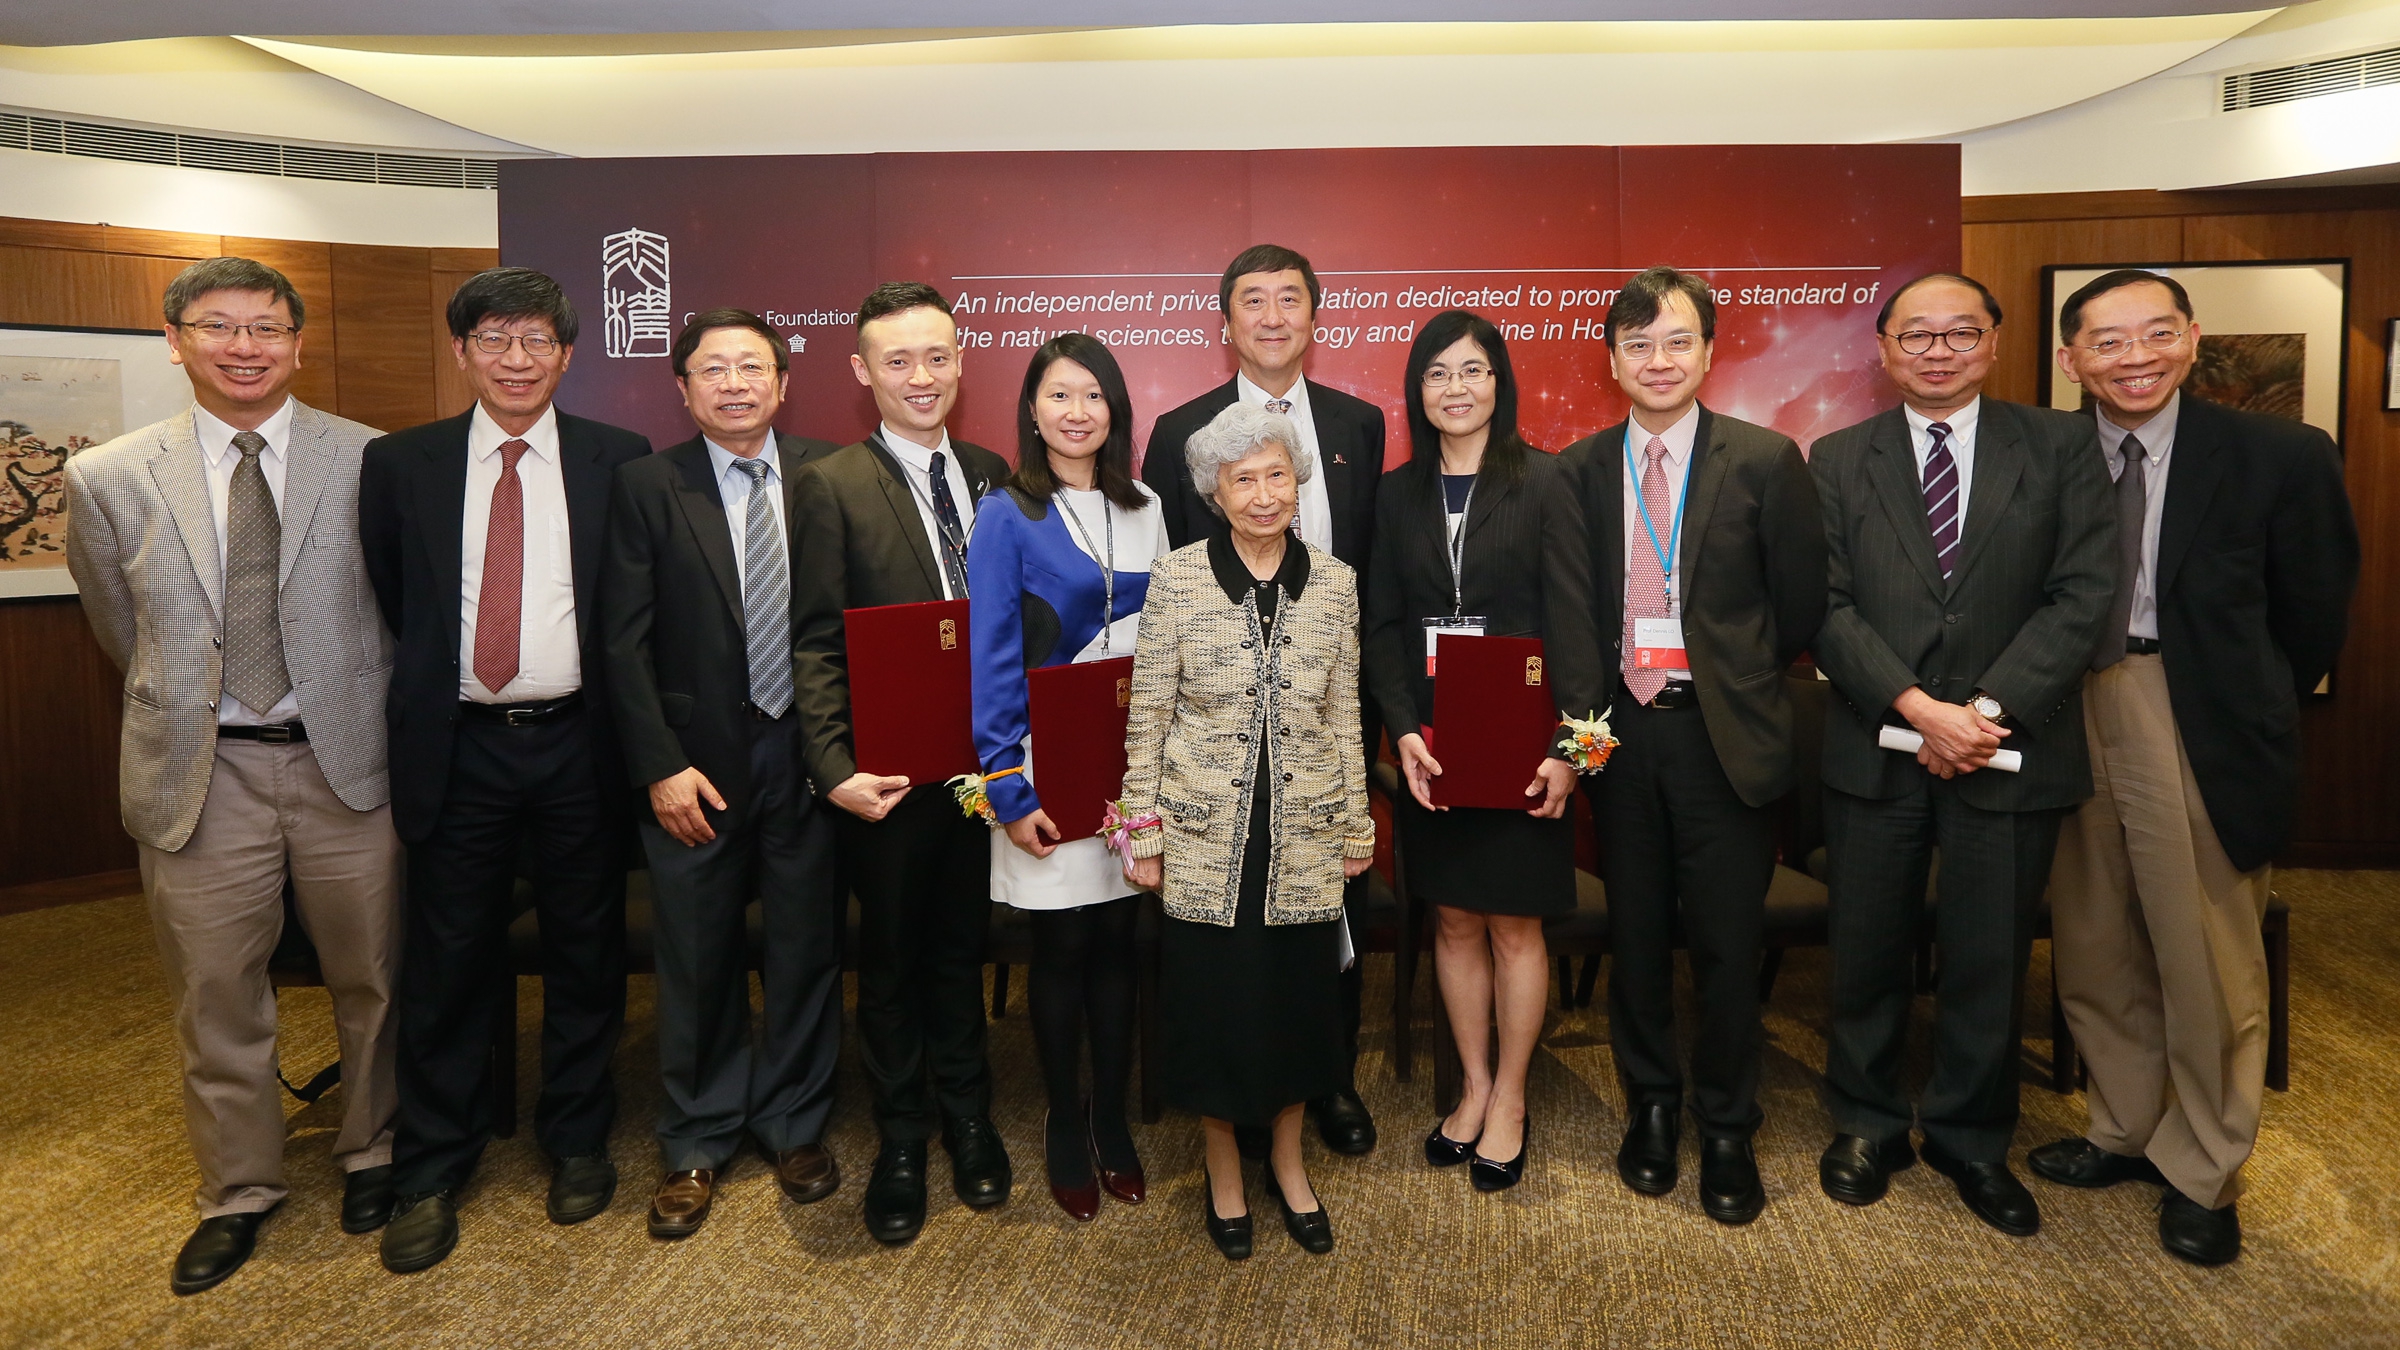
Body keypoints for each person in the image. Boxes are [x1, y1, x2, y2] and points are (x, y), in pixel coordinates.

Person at [63, 257, 401, 1295]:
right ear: (176, 341)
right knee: (216, 994)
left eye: (265, 328)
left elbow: (397, 608)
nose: (244, 347)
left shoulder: (371, 460)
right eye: (218, 327)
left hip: (349, 765)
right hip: (201, 775)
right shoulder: (108, 476)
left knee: (376, 980)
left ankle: (373, 1153)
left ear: (298, 344)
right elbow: (120, 629)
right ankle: (240, 1190)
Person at [2032, 270, 2357, 1265]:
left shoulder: (2278, 455)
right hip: (2061, 703)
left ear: (2191, 338)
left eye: (2154, 334)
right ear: (2071, 358)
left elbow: (2312, 614)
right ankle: (2123, 1129)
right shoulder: (2046, 457)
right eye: (2109, 341)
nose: (2135, 357)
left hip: (2190, 710)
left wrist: (2232, 701)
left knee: (2206, 952)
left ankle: (2204, 1165)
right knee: (2093, 936)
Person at [1810, 272, 2115, 1238]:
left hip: (2008, 743)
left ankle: (1971, 1136)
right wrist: (1916, 707)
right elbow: (1825, 603)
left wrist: (1978, 713)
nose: (1937, 351)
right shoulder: (1838, 456)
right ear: (1885, 347)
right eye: (1916, 335)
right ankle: (1865, 1123)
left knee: (1990, 952)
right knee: (1866, 946)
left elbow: (2082, 594)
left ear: (1993, 341)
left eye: (1959, 333)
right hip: (1878, 741)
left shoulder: (2064, 445)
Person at [361, 268, 652, 1272]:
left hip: (581, 743)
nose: (517, 360)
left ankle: (576, 1138)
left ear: (569, 354)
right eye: (495, 340)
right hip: (460, 743)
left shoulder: (621, 458)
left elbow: (630, 611)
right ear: (463, 353)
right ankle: (434, 1161)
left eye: (537, 341)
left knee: (585, 952)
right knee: (447, 963)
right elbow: (399, 599)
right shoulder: (403, 465)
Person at [1558, 267, 1827, 1224]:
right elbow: (1570, 616)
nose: (1657, 360)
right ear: (1613, 360)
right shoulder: (1580, 468)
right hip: (1623, 741)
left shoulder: (1764, 459)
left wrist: (1734, 677)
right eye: (1637, 344)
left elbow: (1796, 603)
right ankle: (1654, 1109)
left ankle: (1725, 1125)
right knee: (1635, 939)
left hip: (1725, 739)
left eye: (1676, 341)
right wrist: (1580, 744)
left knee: (1724, 944)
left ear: (1710, 352)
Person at [600, 309, 847, 1241]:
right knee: (696, 956)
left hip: (808, 755)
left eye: (753, 368)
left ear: (783, 383)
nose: (735, 384)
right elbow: (619, 644)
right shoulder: (646, 486)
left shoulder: (832, 472)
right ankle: (696, 1137)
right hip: (695, 767)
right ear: (683, 387)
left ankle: (794, 1125)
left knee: (804, 948)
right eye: (714, 370)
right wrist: (660, 767)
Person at [1143, 244, 1384, 1157]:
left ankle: (1331, 1082)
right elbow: (1177, 584)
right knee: (1232, 942)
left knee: (1325, 918)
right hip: (1219, 727)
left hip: (1322, 715)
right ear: (1227, 323)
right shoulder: (1178, 430)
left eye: (1291, 300)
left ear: (1316, 319)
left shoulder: (1359, 425)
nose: (1273, 316)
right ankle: (1236, 1103)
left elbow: (1368, 574)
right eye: (1254, 300)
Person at [1121, 401, 1376, 1260]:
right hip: (1202, 835)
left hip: (1304, 834)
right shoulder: (1179, 578)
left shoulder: (1335, 581)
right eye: (1243, 480)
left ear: (1296, 482)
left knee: (1300, 1012)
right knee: (1215, 1011)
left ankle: (1291, 1165)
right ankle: (1224, 1171)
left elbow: (1346, 714)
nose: (1263, 495)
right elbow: (1149, 714)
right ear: (1215, 491)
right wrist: (1142, 829)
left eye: (1276, 475)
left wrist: (1356, 827)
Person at [790, 282, 1014, 1245]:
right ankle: (901, 1139)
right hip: (883, 779)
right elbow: (812, 642)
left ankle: (968, 1119)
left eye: (937, 357)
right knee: (888, 965)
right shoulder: (832, 483)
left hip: (984, 772)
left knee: (961, 952)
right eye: (898, 361)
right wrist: (831, 765)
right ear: (861, 372)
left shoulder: (997, 472)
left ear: (961, 361)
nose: (921, 378)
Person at [1364, 311, 1604, 1194]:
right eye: (1436, 374)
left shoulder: (1547, 483)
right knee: (1454, 920)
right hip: (1436, 743)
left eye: (1471, 371)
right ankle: (1469, 1086)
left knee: (1515, 925)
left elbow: (1577, 625)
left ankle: (1512, 1097)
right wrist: (1405, 731)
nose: (1454, 389)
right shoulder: (1395, 494)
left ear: (1499, 383)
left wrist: (1574, 748)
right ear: (1417, 392)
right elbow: (1383, 626)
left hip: (1526, 742)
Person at [966, 334, 1166, 1221]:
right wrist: (1008, 784)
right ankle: (1060, 1119)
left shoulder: (1148, 505)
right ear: (1033, 409)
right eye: (1059, 395)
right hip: (1042, 764)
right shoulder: (1008, 511)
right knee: (1063, 947)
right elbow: (993, 652)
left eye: (1093, 395)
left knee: (1120, 944)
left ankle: (1112, 1121)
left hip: (1133, 764)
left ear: (1115, 408)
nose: (1077, 411)